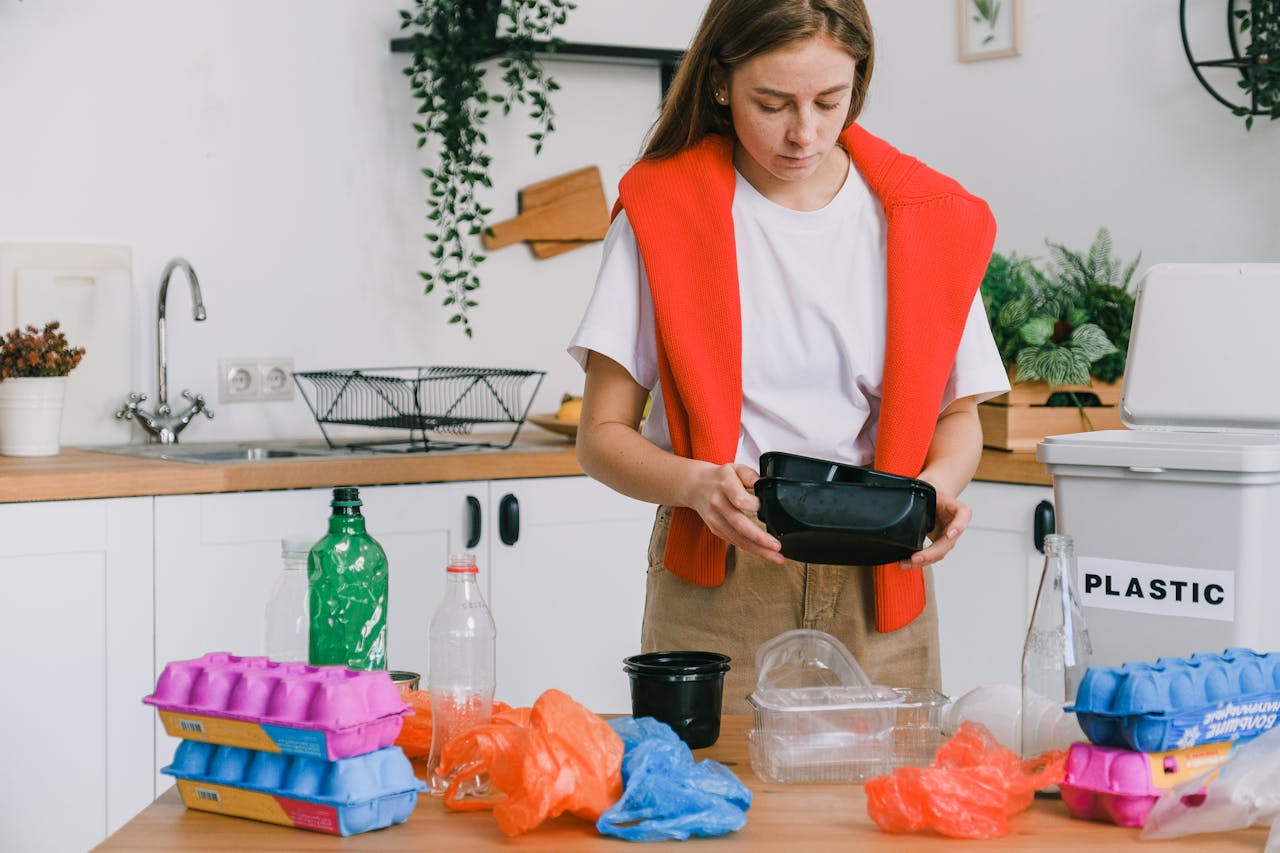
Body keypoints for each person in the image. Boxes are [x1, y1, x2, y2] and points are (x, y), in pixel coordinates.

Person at [568, 0, 1010, 713]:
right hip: (720, 583)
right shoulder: (662, 214)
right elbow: (601, 437)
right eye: (772, 104)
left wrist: (936, 488)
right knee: (714, 805)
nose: (804, 133)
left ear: (858, 82)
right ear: (720, 83)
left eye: (829, 101)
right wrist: (695, 486)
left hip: (881, 581)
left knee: (882, 811)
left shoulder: (930, 220)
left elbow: (958, 416)